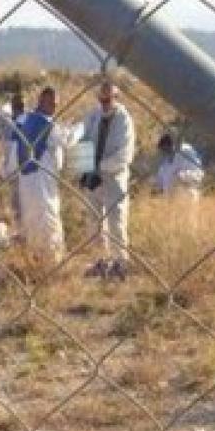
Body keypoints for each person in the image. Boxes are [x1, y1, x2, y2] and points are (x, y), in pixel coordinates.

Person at [10, 87, 82, 266]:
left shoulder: (26, 121)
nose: (54, 107)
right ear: (41, 101)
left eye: (56, 104)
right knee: (48, 220)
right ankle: (53, 263)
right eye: (51, 103)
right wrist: (81, 127)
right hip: (42, 179)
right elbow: (67, 139)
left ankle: (36, 260)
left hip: (26, 179)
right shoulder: (45, 123)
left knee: (32, 221)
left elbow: (12, 155)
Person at [79, 79, 136, 282]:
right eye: (101, 99)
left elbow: (124, 155)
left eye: (108, 99)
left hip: (114, 177)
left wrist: (99, 167)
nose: (104, 104)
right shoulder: (93, 115)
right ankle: (101, 261)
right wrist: (84, 169)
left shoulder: (124, 120)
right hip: (93, 177)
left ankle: (121, 264)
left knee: (117, 221)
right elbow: (83, 139)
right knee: (93, 221)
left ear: (116, 98)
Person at [155, 133, 204, 206]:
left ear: (171, 146)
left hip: (187, 200)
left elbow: (198, 174)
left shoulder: (186, 154)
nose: (164, 153)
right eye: (163, 150)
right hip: (169, 204)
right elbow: (160, 184)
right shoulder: (164, 166)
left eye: (166, 149)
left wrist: (181, 177)